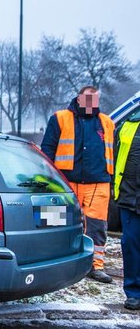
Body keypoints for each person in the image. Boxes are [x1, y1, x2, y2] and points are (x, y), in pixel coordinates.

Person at [41, 86, 115, 283]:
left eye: (94, 100)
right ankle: (52, 263)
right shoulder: (59, 118)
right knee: (54, 222)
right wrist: (50, 179)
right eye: (87, 99)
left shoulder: (107, 122)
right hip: (65, 182)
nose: (91, 104)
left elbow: (112, 152)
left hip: (98, 183)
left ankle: (95, 266)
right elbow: (47, 149)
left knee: (97, 225)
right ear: (79, 99)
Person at [113, 111, 140, 310]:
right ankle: (134, 293)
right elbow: (114, 157)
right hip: (130, 197)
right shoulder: (127, 126)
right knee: (130, 246)